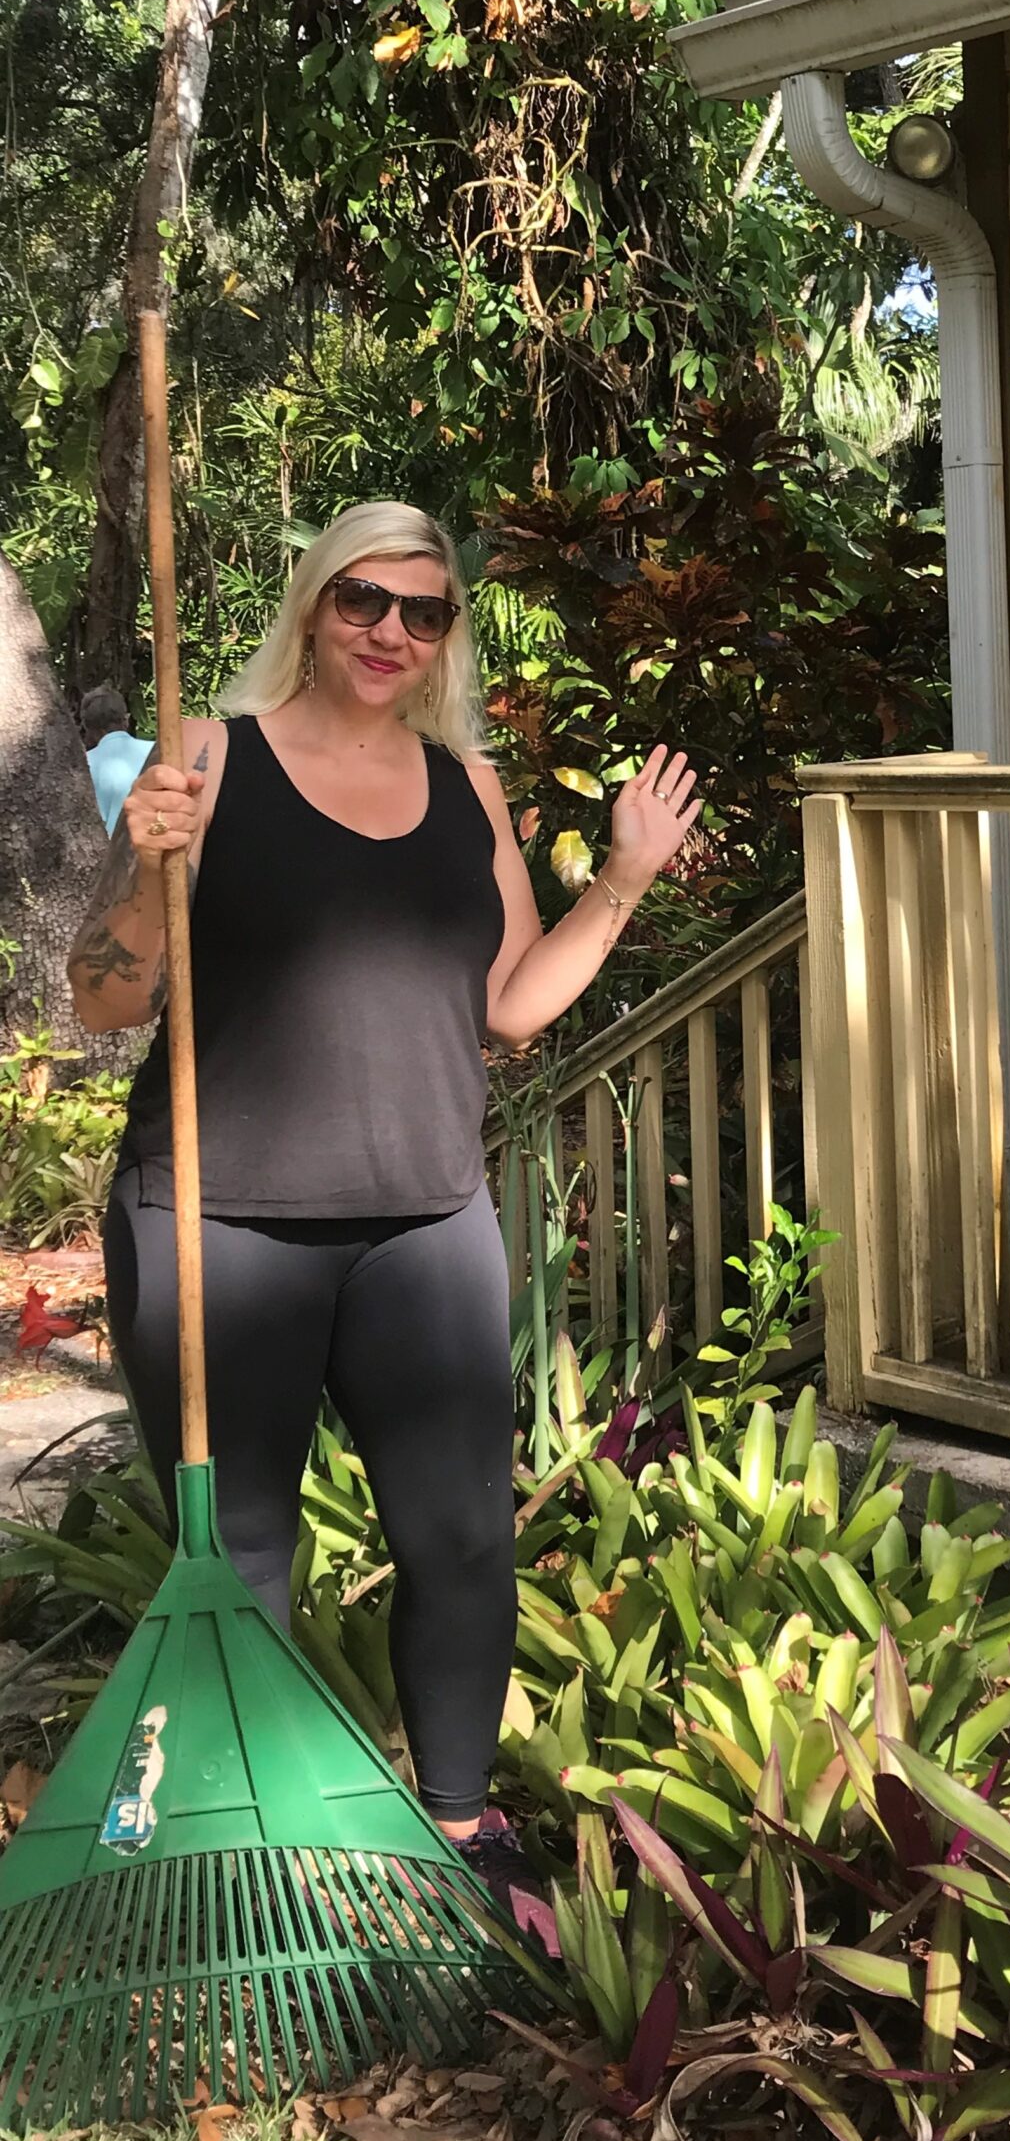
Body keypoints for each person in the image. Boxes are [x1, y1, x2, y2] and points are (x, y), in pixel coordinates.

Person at [67, 501, 700, 1915]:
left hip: (426, 1219)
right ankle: (228, 1854)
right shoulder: (208, 761)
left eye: (424, 613)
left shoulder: (466, 790)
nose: (390, 634)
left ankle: (463, 1838)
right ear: (312, 603)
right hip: (220, 1223)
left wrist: (630, 876)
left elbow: (511, 1010)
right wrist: (139, 863)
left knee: (466, 1535)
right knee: (238, 1554)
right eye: (364, 600)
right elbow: (105, 999)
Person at [80, 685, 154, 834]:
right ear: (125, 720)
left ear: (87, 728)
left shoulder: (84, 765)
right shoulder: (157, 752)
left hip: (111, 852)